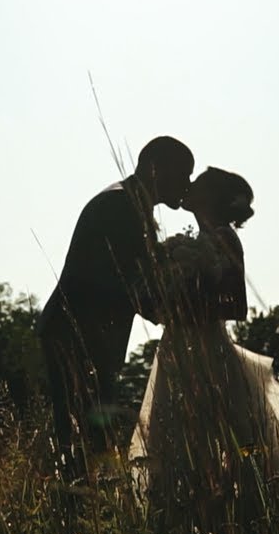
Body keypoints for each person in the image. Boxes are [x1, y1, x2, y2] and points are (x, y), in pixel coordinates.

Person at [129, 167, 279, 534]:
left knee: (232, 446)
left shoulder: (224, 239)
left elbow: (237, 306)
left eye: (198, 181)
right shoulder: (188, 242)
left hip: (209, 354)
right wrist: (161, 301)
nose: (189, 184)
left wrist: (188, 305)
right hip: (177, 351)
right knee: (171, 443)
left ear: (212, 196)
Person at [37, 136, 194, 503]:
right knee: (82, 434)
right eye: (182, 174)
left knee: (86, 434)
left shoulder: (130, 203)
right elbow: (129, 284)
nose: (187, 184)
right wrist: (178, 317)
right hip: (78, 335)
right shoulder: (121, 206)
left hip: (85, 334)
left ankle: (78, 508)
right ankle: (75, 512)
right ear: (155, 168)